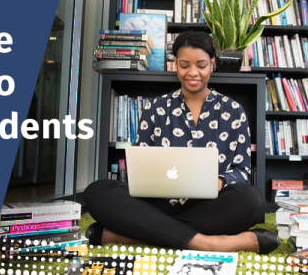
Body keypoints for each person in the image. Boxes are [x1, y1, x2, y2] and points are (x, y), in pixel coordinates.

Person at [83, 31, 279, 254]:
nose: (193, 73)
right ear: (174, 63)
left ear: (212, 64)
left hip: (209, 206)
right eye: (184, 65)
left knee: (252, 200)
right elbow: (140, 165)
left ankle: (135, 234)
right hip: (156, 203)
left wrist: (220, 181)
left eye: (201, 65)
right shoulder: (154, 108)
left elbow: (243, 170)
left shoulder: (233, 111)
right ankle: (211, 243)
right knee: (96, 191)